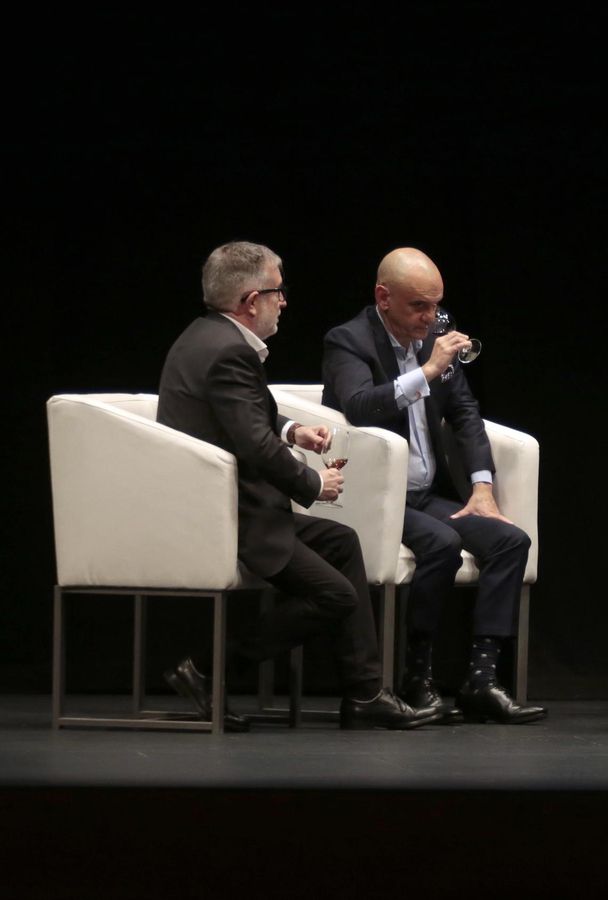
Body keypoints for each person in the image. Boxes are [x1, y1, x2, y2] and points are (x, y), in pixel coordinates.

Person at [157, 241, 438, 731]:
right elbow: (254, 446)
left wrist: (293, 432)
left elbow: (246, 414)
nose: (284, 301)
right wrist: (314, 483)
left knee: (342, 542)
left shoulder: (208, 337)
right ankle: (206, 669)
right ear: (251, 301)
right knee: (334, 596)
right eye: (277, 291)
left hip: (235, 504)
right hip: (233, 515)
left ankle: (365, 694)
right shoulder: (228, 352)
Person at [323, 247, 544, 725]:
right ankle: (416, 676)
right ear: (384, 297)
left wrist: (482, 486)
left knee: (510, 541)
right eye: (418, 306)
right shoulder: (348, 341)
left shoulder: (432, 340)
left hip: (423, 494)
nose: (431, 317)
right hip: (374, 496)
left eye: (436, 305)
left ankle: (481, 681)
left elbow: (465, 413)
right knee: (442, 543)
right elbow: (359, 406)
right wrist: (424, 372)